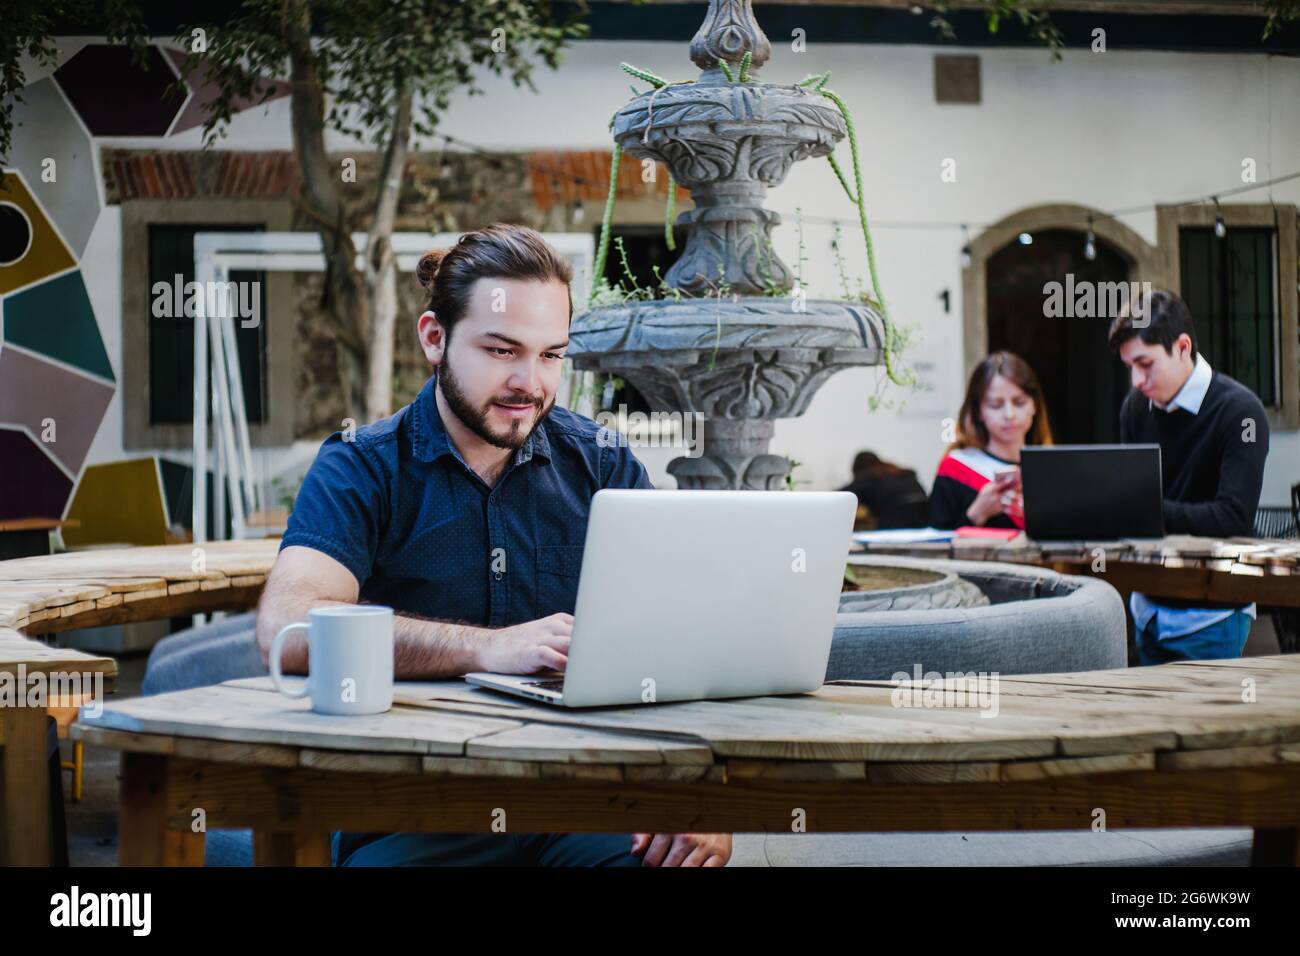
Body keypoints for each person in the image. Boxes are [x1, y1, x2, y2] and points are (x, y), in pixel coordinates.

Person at [255, 223, 731, 867]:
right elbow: (287, 629)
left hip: (586, 801)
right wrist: (490, 649)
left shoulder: (602, 463)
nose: (530, 383)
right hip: (415, 813)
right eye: (502, 350)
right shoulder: (360, 468)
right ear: (434, 339)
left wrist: (705, 793)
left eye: (550, 355)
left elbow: (682, 634)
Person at [1109, 289, 1269, 665]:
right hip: (1146, 610)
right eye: (1129, 366)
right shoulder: (1135, 408)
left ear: (1183, 347)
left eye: (1145, 364)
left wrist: (1144, 512)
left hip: (1212, 613)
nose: (1136, 380)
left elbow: (1234, 518)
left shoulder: (1242, 412)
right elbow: (1135, 499)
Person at [929, 351, 1053, 530]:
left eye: (1019, 403)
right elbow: (934, 549)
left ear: (1034, 405)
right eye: (996, 405)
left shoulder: (1051, 467)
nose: (1009, 415)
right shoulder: (955, 469)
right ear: (978, 411)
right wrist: (977, 514)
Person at [839, 451, 929, 529]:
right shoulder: (905, 475)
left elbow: (838, 497)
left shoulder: (869, 478)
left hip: (893, 533)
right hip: (925, 531)